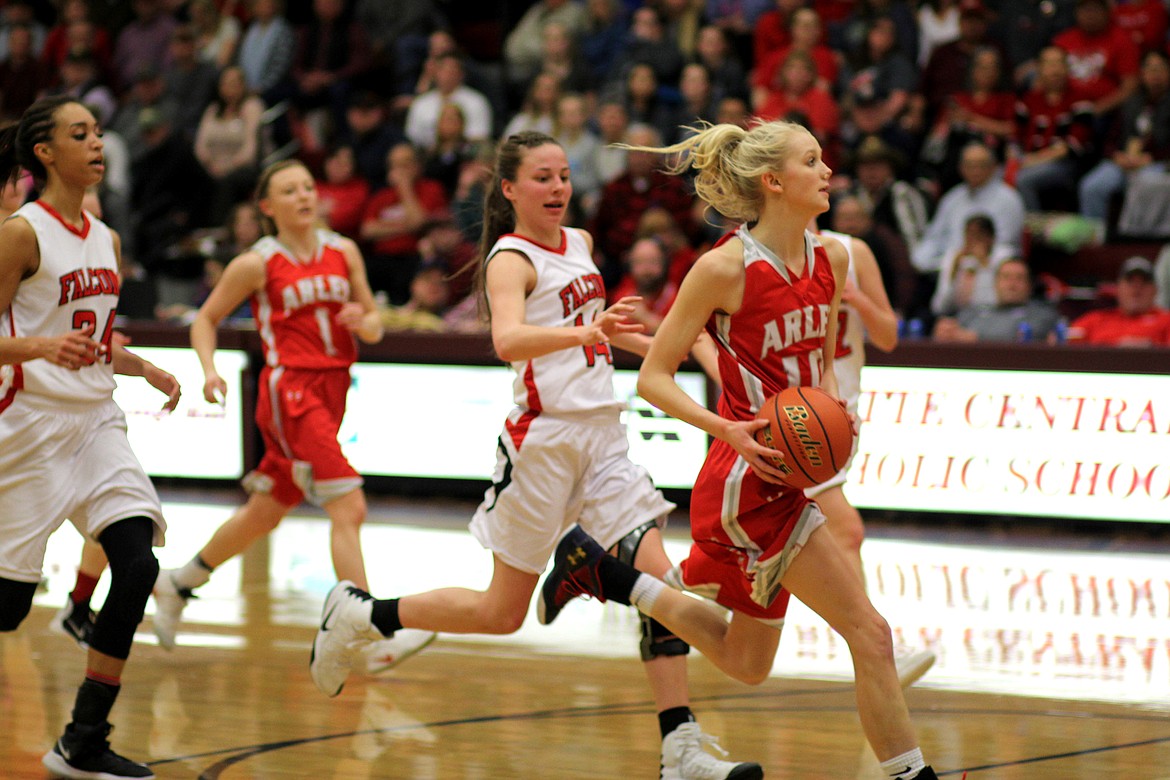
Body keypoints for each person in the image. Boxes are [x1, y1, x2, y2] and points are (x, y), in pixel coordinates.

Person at [308, 131, 764, 780]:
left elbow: (608, 334)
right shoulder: (509, 258)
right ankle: (363, 614)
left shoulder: (578, 243)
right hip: (542, 445)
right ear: (510, 189)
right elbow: (508, 338)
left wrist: (684, 343)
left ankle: (679, 746)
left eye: (564, 176)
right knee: (501, 614)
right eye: (542, 178)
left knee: (665, 583)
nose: (557, 189)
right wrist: (587, 330)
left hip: (603, 438)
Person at [554, 119, 942, 779]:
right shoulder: (724, 267)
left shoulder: (834, 259)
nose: (828, 173)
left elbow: (818, 365)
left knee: (748, 663)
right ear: (773, 181)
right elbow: (654, 377)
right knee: (872, 637)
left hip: (788, 476)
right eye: (812, 162)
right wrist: (727, 428)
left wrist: (831, 414)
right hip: (744, 480)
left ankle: (604, 572)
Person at [152, 159, 436, 675]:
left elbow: (373, 324)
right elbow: (207, 319)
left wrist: (363, 319)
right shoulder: (257, 263)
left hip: (333, 388)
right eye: (290, 190)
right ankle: (367, 630)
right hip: (291, 394)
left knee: (267, 510)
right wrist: (210, 371)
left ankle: (180, 581)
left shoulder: (343, 250)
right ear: (268, 207)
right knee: (349, 506)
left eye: (308, 186)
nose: (304, 196)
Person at [0, 95, 181, 780]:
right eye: (81, 134)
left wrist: (145, 367)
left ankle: (82, 739)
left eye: (100, 132)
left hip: (96, 424)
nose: (98, 144)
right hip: (28, 432)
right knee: (8, 609)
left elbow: (96, 341)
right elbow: (41, 340)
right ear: (45, 153)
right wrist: (44, 346)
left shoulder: (105, 237)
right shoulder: (22, 233)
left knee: (136, 564)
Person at [808, 222, 936, 687]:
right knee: (845, 531)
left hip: (846, 409)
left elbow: (887, 334)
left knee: (808, 540)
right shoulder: (757, 254)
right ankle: (880, 651)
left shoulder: (850, 250)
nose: (822, 175)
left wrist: (853, 297)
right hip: (800, 415)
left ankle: (668, 586)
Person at [932, 256, 1060, 342]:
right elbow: (954, 331)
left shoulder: (1041, 314)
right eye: (1006, 277)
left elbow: (1023, 337)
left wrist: (975, 339)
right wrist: (945, 331)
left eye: (1019, 278)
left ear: (1030, 285)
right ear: (995, 283)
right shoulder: (974, 311)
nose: (1012, 285)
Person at [1066, 256, 1170, 346]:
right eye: (1130, 281)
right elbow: (1065, 343)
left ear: (1155, 290)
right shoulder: (1095, 320)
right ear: (1118, 288)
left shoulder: (1166, 321)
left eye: (1144, 282)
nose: (1137, 287)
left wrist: (1150, 348)